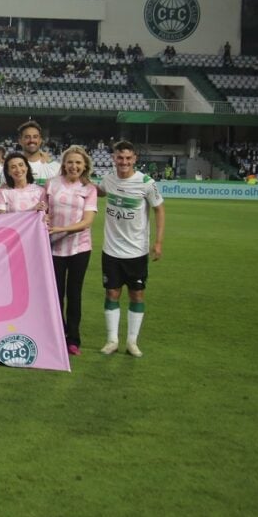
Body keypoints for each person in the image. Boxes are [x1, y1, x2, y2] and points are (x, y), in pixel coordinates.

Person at [98, 140, 165, 358]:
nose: (124, 162)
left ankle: (132, 341)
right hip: (111, 250)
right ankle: (112, 340)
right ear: (114, 158)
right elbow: (98, 192)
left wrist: (158, 242)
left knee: (137, 295)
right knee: (112, 292)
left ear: (135, 158)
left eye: (128, 158)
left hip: (136, 251)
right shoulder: (108, 179)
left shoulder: (146, 183)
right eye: (120, 157)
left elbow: (159, 210)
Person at [46, 146, 98, 356]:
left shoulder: (89, 189)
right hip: (53, 248)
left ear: (84, 165)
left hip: (79, 248)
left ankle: (73, 339)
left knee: (74, 294)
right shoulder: (52, 184)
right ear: (64, 164)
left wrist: (60, 229)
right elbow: (44, 209)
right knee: (56, 294)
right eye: (70, 162)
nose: (74, 166)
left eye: (78, 162)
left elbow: (87, 222)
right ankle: (58, 334)